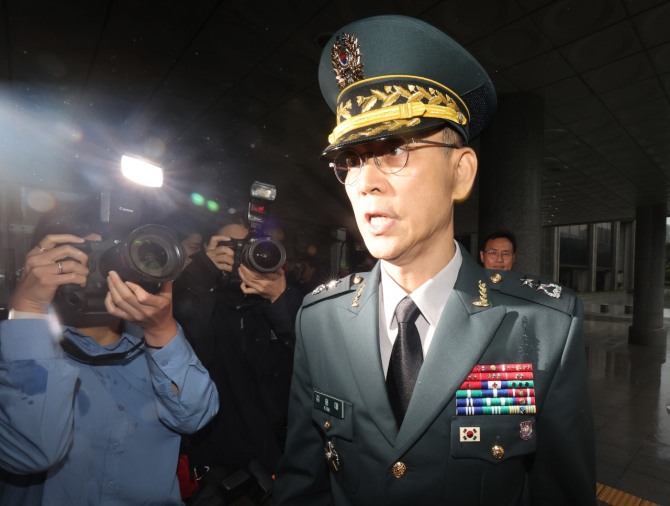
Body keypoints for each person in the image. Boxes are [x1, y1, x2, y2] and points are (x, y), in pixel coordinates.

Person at [274, 15, 596, 506]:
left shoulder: (544, 326)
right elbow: (303, 484)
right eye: (352, 160)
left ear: (460, 172)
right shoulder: (320, 320)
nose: (365, 182)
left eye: (393, 151)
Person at [0, 202, 219, 505]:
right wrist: (28, 309)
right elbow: (30, 453)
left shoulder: (158, 340)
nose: (100, 269)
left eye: (112, 252)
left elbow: (194, 417)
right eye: (81, 255)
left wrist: (162, 330)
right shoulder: (18, 348)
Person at [172, 215, 302, 504]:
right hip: (217, 463)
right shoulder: (201, 301)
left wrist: (280, 298)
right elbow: (183, 338)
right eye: (228, 246)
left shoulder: (278, 302)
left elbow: (311, 356)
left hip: (277, 458)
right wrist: (201, 273)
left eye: (246, 246)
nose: (237, 255)